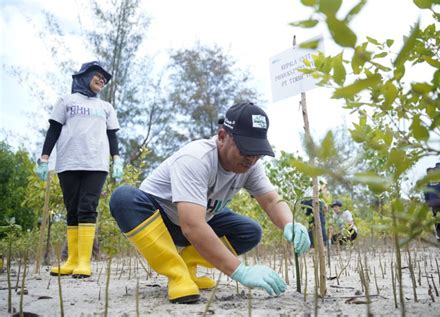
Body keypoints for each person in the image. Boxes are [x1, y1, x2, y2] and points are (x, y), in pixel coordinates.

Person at [109, 102, 310, 304]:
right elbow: (192, 225)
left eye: (257, 152)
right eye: (246, 150)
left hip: (200, 220)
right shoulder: (196, 158)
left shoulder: (251, 167)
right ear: (222, 137)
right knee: (123, 197)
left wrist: (289, 222)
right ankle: (177, 274)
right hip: (158, 222)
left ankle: (188, 265)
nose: (252, 159)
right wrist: (239, 270)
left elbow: (271, 200)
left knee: (249, 231)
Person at [35, 61, 123, 278]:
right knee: (72, 209)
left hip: (96, 164)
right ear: (84, 75)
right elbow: (53, 129)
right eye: (98, 75)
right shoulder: (66, 101)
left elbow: (112, 135)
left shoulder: (106, 107)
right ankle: (71, 260)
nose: (102, 79)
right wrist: (44, 158)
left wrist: (117, 159)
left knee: (87, 207)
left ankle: (84, 261)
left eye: (105, 78)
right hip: (68, 162)